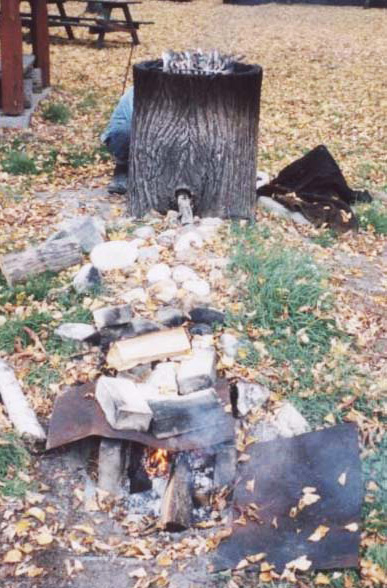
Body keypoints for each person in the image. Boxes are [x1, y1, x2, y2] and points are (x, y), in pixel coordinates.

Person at [101, 86, 134, 194]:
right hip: (120, 139)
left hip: (125, 137)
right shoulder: (137, 93)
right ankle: (121, 172)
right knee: (125, 130)